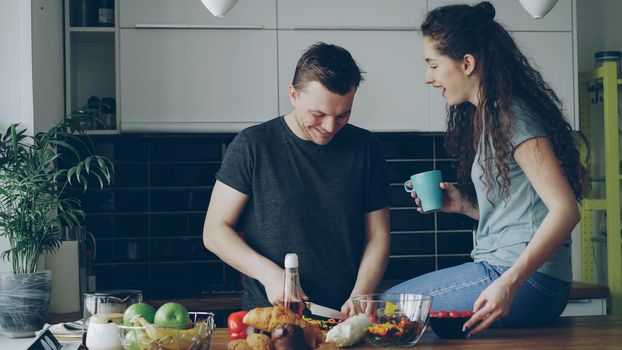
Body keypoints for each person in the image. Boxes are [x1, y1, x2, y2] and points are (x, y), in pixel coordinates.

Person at [388, 1, 587, 335]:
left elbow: (565, 211)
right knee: (420, 325)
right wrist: (463, 206)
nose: (428, 78)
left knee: (389, 308)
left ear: (466, 63)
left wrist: (508, 284)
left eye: (433, 65)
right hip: (519, 277)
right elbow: (524, 217)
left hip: (524, 280)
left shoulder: (512, 117)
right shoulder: (492, 117)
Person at [203, 42, 391, 315]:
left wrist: (361, 293)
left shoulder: (366, 148)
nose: (329, 127)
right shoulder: (253, 146)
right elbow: (214, 232)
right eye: (319, 114)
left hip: (344, 319)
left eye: (342, 115)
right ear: (293, 94)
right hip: (272, 320)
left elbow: (378, 235)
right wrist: (269, 275)